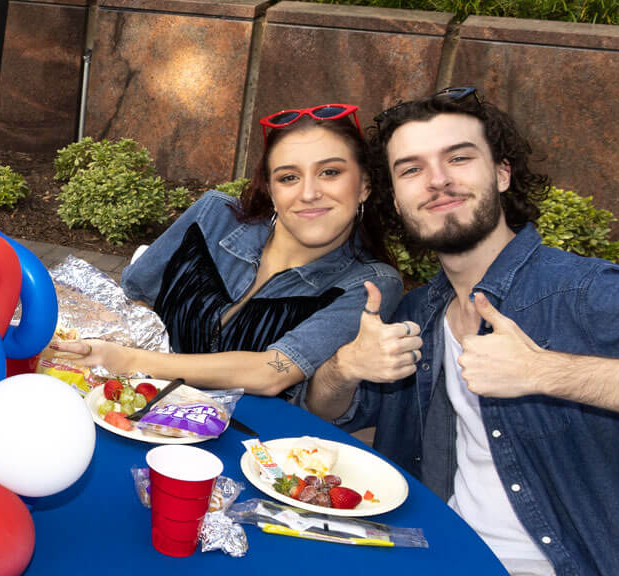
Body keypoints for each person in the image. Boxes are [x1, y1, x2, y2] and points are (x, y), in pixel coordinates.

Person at [303, 88, 619, 576]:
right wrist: (344, 367)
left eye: (458, 158)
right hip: (431, 557)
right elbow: (326, 412)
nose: (437, 180)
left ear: (501, 173)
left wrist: (549, 372)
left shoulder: (582, 292)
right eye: (411, 169)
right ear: (395, 197)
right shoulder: (422, 310)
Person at [54, 103, 403, 398]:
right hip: (132, 406)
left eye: (330, 172)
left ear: (364, 185)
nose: (309, 193)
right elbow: (135, 300)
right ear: (271, 191)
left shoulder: (369, 284)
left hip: (246, 445)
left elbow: (273, 372)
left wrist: (129, 360)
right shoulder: (214, 215)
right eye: (288, 177)